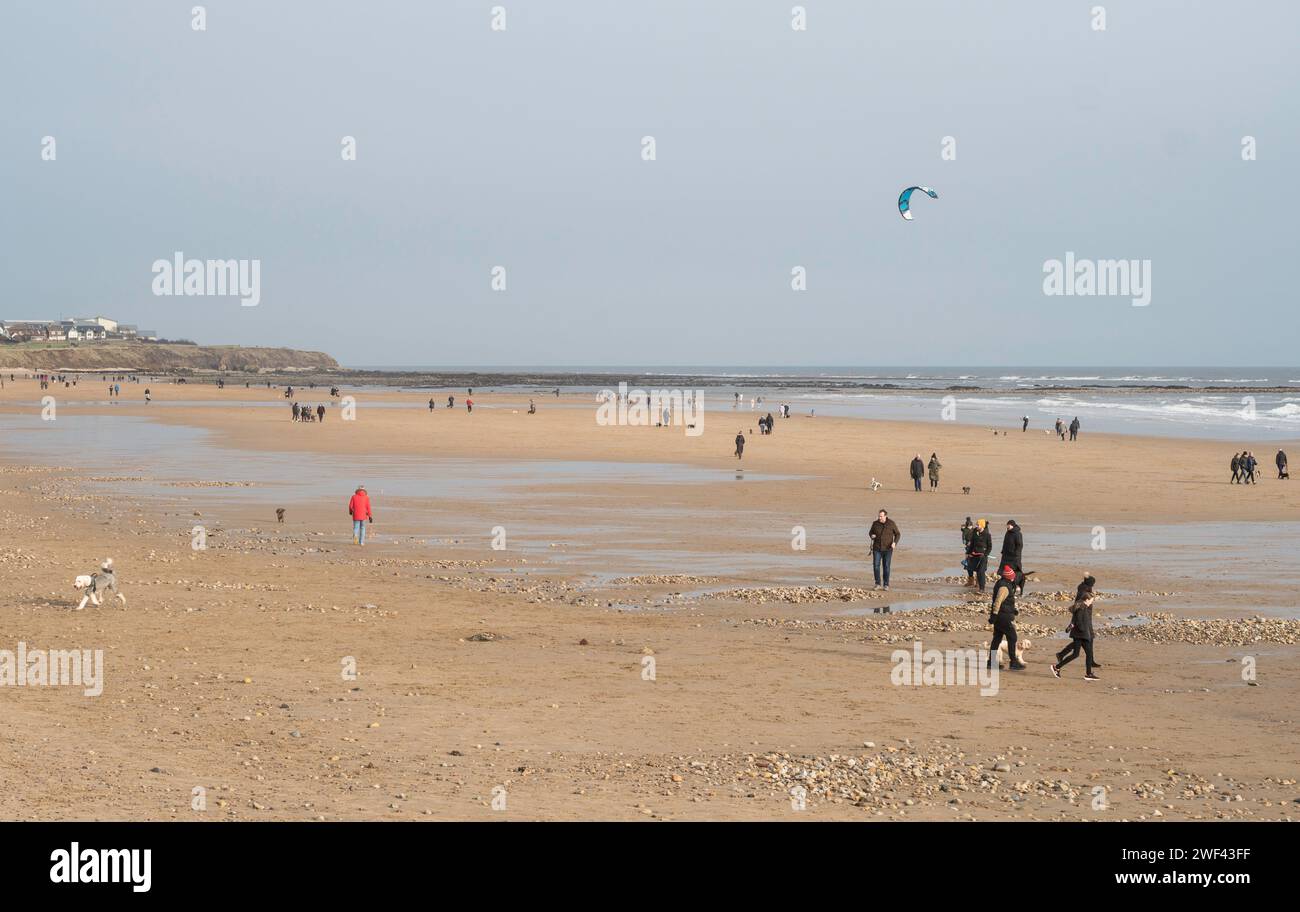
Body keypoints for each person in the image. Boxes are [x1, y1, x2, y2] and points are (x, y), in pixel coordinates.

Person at [1052, 576, 1099, 680]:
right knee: (1082, 654)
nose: (1092, 602)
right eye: (1091, 600)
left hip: (1081, 633)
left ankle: (1087, 673)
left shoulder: (1083, 606)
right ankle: (1058, 666)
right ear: (1086, 600)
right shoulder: (1082, 607)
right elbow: (1078, 620)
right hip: (1081, 634)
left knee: (1078, 654)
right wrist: (1084, 631)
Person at [987, 564, 1026, 670]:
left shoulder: (1003, 583)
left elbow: (1005, 602)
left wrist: (1013, 610)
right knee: (1012, 637)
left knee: (997, 639)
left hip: (1002, 615)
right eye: (1013, 576)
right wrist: (994, 615)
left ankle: (991, 662)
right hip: (1002, 617)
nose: (1014, 578)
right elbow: (998, 601)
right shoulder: (1004, 587)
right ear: (1009, 577)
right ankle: (1013, 662)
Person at [868, 509, 900, 591]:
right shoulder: (875, 523)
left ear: (885, 516)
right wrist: (872, 536)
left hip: (888, 549)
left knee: (886, 567)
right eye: (879, 516)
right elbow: (870, 532)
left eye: (881, 516)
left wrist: (894, 543)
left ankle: (886, 584)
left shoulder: (891, 523)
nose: (879, 518)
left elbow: (898, 534)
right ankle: (877, 584)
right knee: (876, 566)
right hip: (877, 548)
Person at [966, 518, 992, 590]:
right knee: (975, 570)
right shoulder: (975, 534)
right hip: (974, 556)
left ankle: (982, 589)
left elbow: (990, 547)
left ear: (982, 526)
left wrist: (985, 554)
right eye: (976, 524)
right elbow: (972, 545)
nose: (976, 526)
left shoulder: (987, 535)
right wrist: (968, 553)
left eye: (978, 525)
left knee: (981, 572)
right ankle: (975, 584)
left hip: (982, 557)